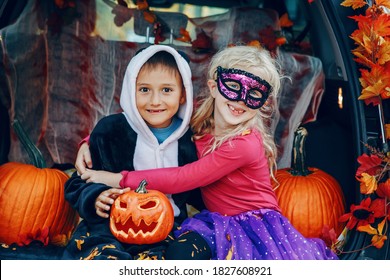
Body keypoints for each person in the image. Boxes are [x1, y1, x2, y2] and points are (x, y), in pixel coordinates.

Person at [80, 45, 338, 260]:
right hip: (215, 222)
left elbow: (184, 177)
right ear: (214, 87)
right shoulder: (200, 120)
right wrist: (89, 140)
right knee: (179, 254)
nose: (240, 101)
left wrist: (118, 179)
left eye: (254, 94)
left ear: (264, 102)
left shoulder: (244, 144)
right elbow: (149, 119)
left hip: (251, 227)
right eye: (233, 88)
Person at [62, 44, 207, 260]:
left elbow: (203, 189)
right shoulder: (111, 131)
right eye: (144, 90)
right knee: (100, 258)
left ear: (183, 95)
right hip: (107, 227)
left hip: (166, 229)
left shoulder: (192, 139)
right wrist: (95, 197)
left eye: (166, 90)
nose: (155, 101)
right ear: (131, 90)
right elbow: (78, 181)